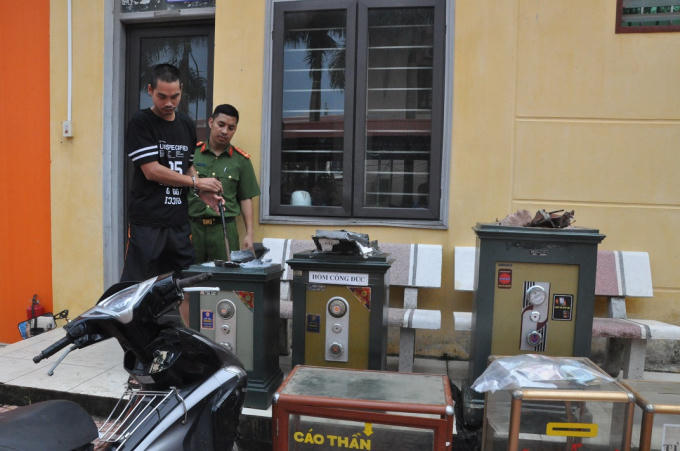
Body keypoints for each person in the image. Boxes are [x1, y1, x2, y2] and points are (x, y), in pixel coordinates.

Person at [121, 63, 222, 282]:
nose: (169, 103)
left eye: (174, 96)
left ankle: (178, 309)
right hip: (148, 222)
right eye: (162, 96)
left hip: (178, 222)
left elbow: (188, 166)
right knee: (138, 285)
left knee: (184, 282)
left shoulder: (186, 124)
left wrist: (201, 192)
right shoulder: (141, 123)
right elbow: (152, 171)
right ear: (150, 90)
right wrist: (197, 184)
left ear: (181, 90)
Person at [188, 104, 260, 262]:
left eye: (231, 128)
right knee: (189, 274)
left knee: (225, 275)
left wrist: (249, 234)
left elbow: (246, 198)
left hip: (224, 230)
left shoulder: (241, 160)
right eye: (221, 125)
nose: (225, 131)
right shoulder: (192, 154)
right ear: (211, 122)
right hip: (193, 229)